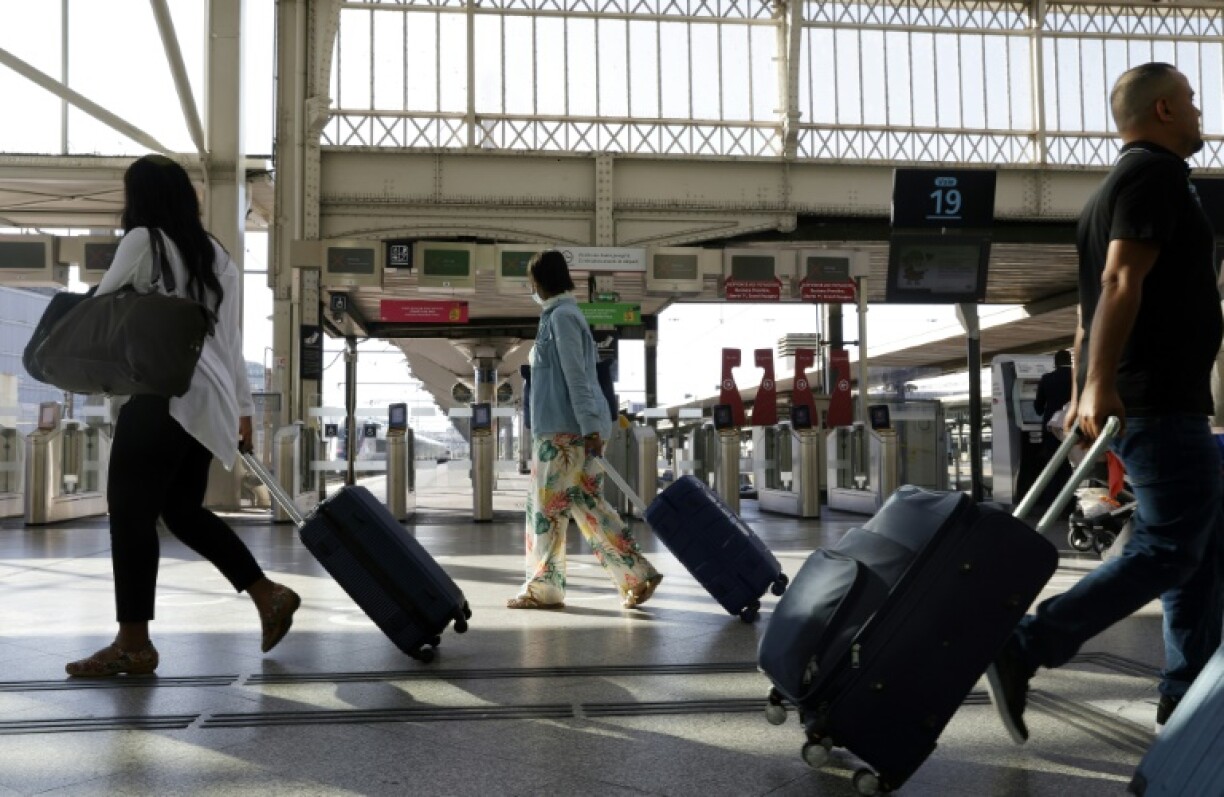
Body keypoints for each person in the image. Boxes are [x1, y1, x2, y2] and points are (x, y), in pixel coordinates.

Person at [986, 63, 1224, 740]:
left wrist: (1083, 384)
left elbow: (1087, 310)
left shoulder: (1107, 191)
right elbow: (1119, 281)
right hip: (1158, 401)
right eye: (1190, 100)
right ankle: (1026, 644)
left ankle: (1187, 700)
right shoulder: (1154, 175)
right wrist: (1095, 385)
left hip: (1152, 398)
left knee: (1203, 551)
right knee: (1170, 548)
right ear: (1163, 110)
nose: (1200, 111)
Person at [65, 154, 301, 676]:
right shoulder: (215, 254)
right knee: (181, 511)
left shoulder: (142, 241)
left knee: (130, 515)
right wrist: (243, 410)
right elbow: (231, 341)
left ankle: (133, 644)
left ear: (140, 198)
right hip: (207, 401)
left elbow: (103, 307)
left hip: (157, 395)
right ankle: (268, 594)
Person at [507, 250, 662, 610]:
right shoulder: (560, 315)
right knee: (587, 504)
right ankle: (637, 574)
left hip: (564, 433)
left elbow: (577, 377)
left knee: (546, 511)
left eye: (532, 282)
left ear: (540, 281)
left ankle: (543, 590)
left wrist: (590, 428)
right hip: (571, 429)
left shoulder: (562, 317)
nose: (531, 289)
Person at [1034, 349, 1073, 454]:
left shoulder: (1046, 379)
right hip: (1072, 423)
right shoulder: (1078, 377)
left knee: (1053, 456)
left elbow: (1038, 407)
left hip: (1052, 426)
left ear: (1055, 363)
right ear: (1070, 361)